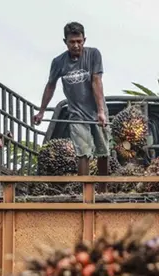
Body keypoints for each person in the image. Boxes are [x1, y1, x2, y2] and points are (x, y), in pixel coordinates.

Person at [33, 22, 109, 176]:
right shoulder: (58, 62)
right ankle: (84, 191)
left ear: (84, 40)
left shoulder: (93, 55)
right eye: (72, 42)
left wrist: (101, 111)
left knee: (103, 151)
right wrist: (41, 112)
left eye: (79, 41)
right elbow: (50, 86)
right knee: (82, 152)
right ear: (65, 42)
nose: (75, 45)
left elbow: (96, 81)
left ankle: (102, 189)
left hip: (96, 112)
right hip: (76, 114)